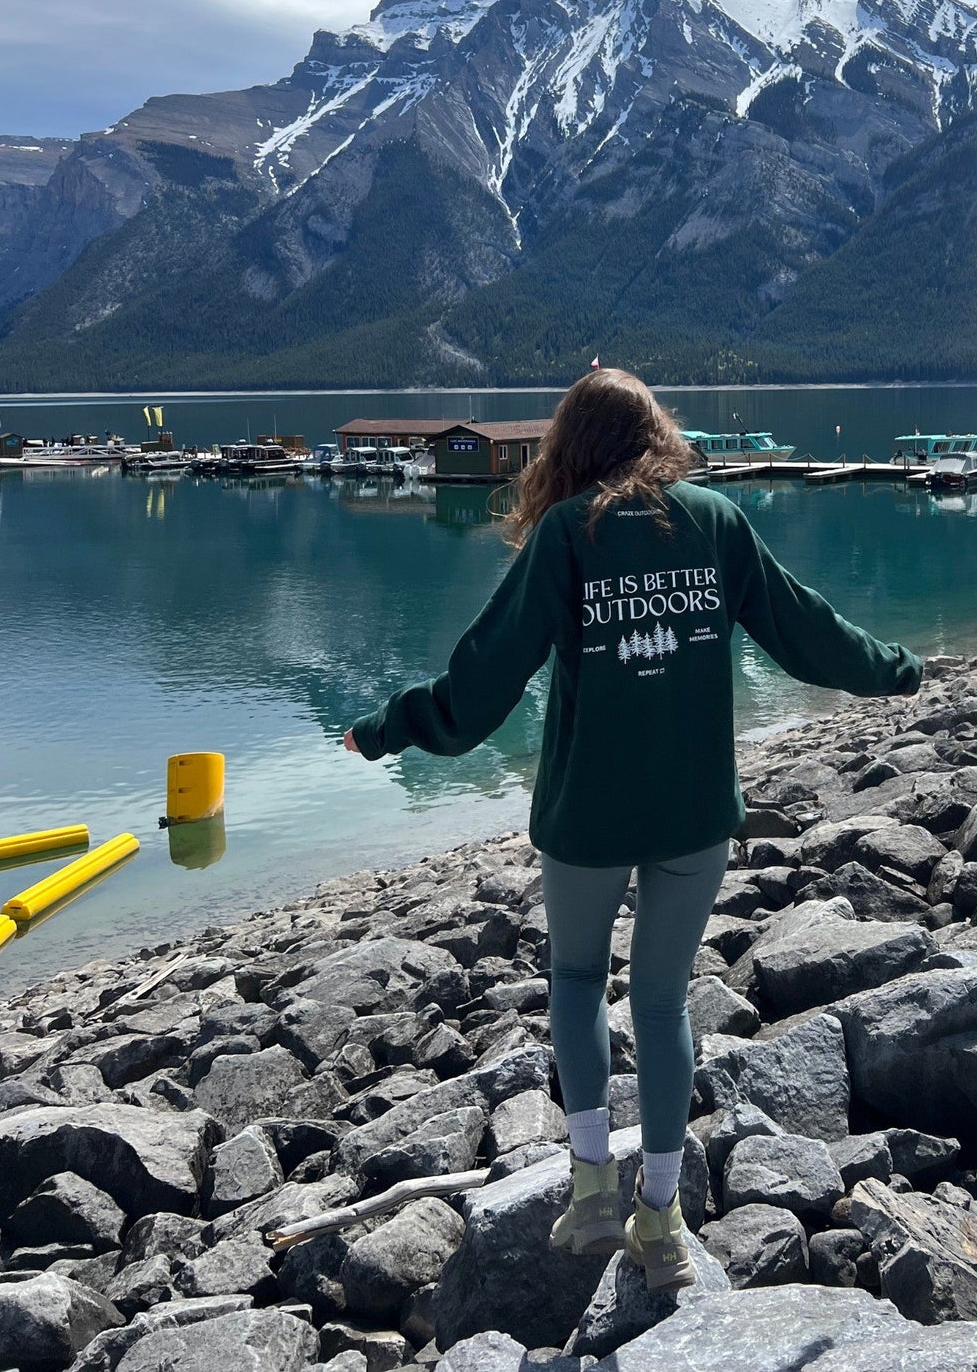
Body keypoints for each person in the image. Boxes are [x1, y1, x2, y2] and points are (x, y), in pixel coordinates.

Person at [344, 369, 921, 1289]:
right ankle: (661, 1216)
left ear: (567, 445)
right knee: (661, 1000)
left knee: (574, 979)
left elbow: (481, 681)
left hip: (589, 814)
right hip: (694, 813)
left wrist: (387, 729)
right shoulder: (715, 522)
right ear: (656, 431)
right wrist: (895, 669)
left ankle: (589, 1188)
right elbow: (806, 630)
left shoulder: (568, 534)